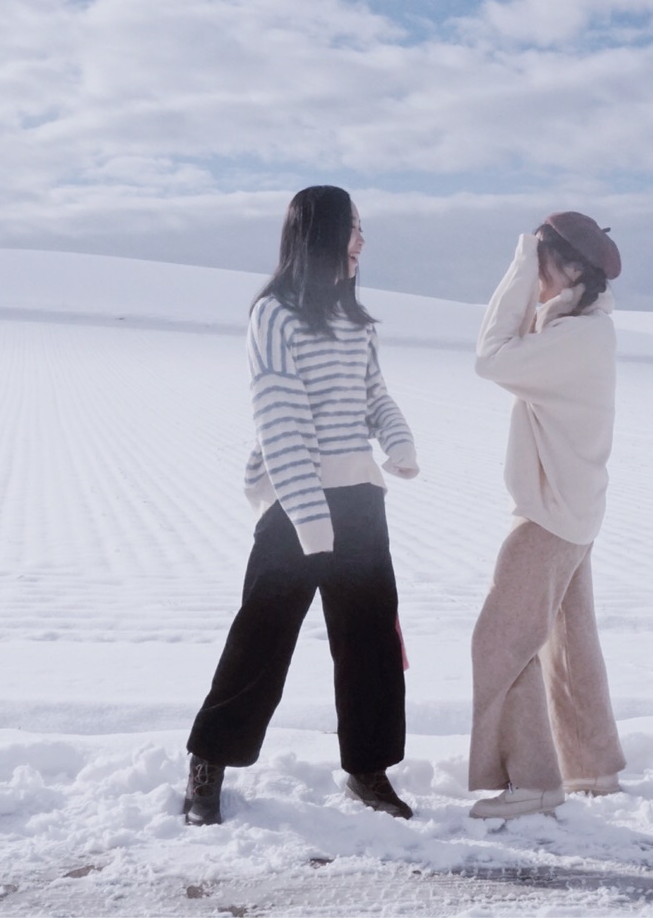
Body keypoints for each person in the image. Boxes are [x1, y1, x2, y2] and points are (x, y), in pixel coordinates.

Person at [182, 185, 420, 826]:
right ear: (321, 235)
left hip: (360, 500)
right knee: (262, 637)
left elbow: (374, 394)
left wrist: (397, 439)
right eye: (352, 228)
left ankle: (368, 768)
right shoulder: (275, 317)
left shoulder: (356, 322)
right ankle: (209, 761)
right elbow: (280, 422)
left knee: (370, 643)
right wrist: (311, 519)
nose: (361, 241)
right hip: (293, 502)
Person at [466, 212, 627, 819]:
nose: (534, 274)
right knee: (570, 641)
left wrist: (518, 261)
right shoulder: (581, 331)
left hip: (550, 515)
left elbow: (492, 357)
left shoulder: (576, 341)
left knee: (499, 642)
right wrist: (535, 269)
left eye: (543, 263)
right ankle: (594, 767)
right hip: (574, 511)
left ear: (572, 271)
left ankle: (534, 781)